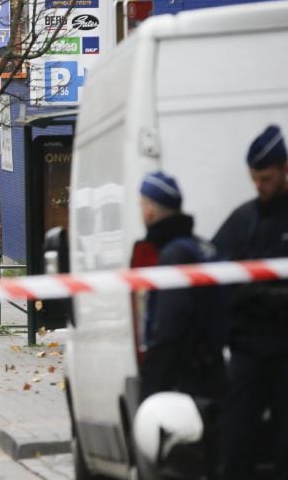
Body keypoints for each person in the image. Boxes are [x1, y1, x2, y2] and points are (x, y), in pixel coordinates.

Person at [137, 172, 226, 479]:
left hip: (186, 383)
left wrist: (151, 388)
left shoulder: (174, 255)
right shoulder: (203, 247)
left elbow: (169, 330)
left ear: (149, 210)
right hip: (215, 375)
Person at [213, 125, 288, 480]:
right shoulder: (244, 220)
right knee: (235, 441)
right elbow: (211, 272)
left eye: (267, 178)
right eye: (255, 179)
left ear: (285, 169)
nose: (260, 186)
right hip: (249, 350)